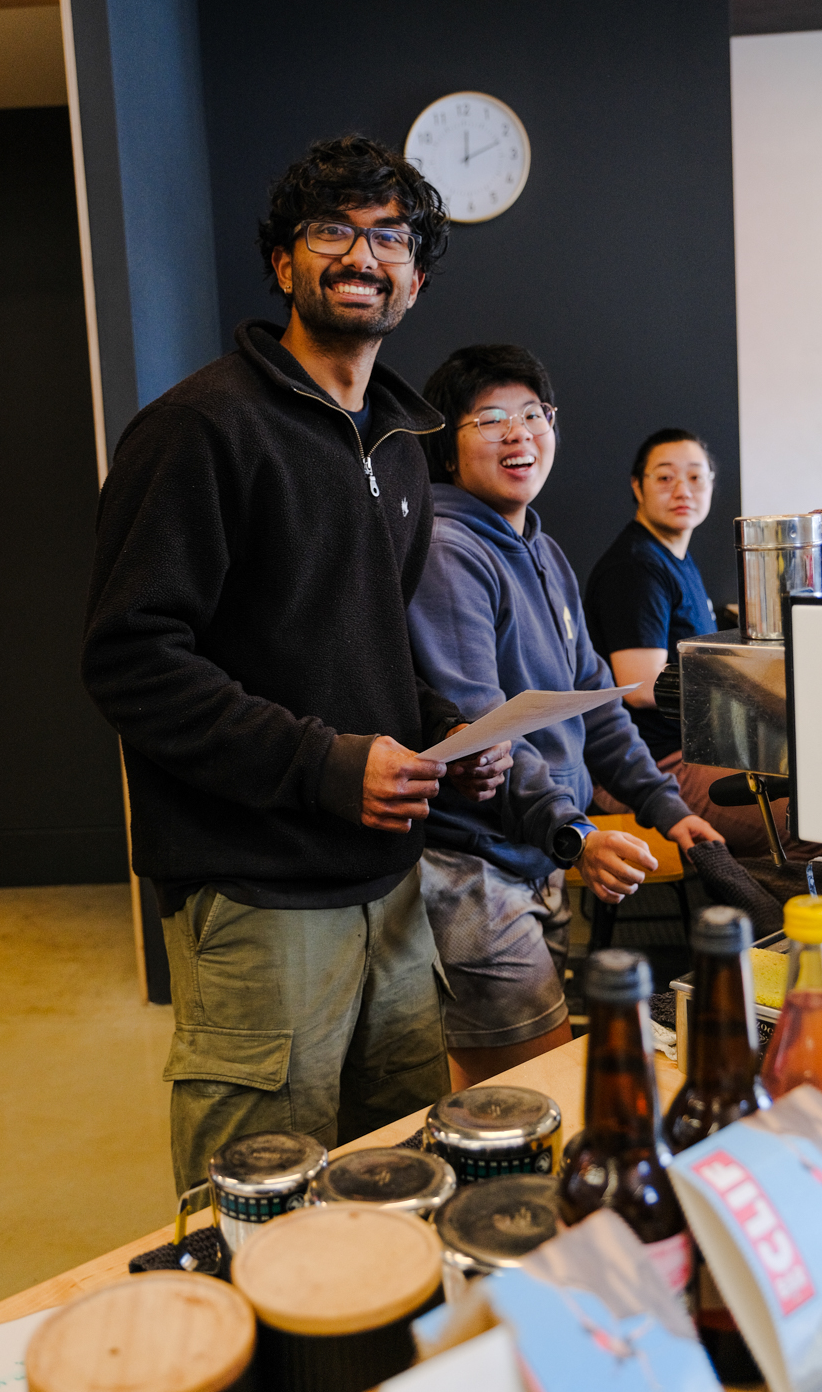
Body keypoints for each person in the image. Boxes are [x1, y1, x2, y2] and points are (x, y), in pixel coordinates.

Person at [81, 136, 510, 1193]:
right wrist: (325, 765)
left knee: (398, 1184)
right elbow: (132, 658)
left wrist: (444, 738)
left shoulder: (400, 446)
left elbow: (361, 648)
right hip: (257, 895)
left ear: (414, 279)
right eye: (332, 231)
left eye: (391, 238)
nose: (363, 255)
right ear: (283, 264)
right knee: (264, 1209)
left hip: (390, 890)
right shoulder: (197, 429)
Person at [406, 347, 722, 1089]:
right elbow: (484, 731)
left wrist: (667, 808)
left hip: (535, 852)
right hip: (475, 865)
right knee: (538, 1084)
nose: (519, 433)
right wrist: (575, 833)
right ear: (447, 445)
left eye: (533, 414)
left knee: (503, 1086)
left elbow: (596, 702)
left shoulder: (540, 548)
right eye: (490, 419)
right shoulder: (450, 550)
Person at [583, 427, 799, 855]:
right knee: (814, 821)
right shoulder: (635, 568)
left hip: (693, 751)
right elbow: (641, 686)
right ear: (637, 486)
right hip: (655, 765)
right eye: (665, 477)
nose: (683, 490)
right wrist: (754, 694)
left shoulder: (674, 555)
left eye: (696, 477)